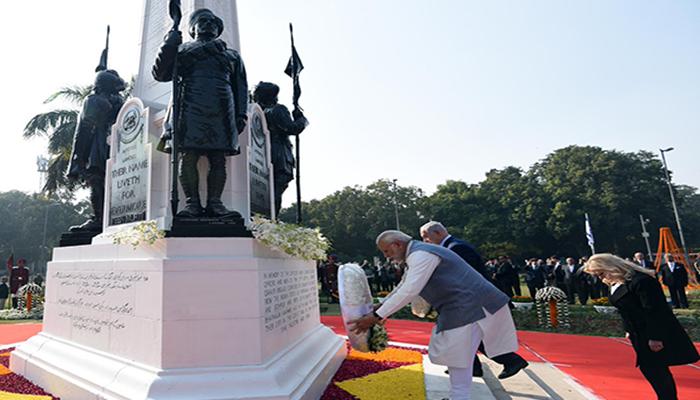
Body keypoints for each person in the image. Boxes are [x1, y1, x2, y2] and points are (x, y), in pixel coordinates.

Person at [351, 231, 523, 400]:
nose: (386, 256)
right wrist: (380, 306)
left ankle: (459, 397)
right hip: (465, 309)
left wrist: (376, 315)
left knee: (457, 358)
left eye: (386, 251)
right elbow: (403, 285)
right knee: (458, 358)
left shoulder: (421, 255)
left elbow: (410, 290)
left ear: (397, 244)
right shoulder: (418, 253)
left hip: (472, 308)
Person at [153, 8, 248, 218]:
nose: (208, 24)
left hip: (222, 108)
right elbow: (161, 74)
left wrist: (241, 114)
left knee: (218, 158)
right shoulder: (182, 50)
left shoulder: (232, 55)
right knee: (188, 156)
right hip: (188, 105)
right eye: (202, 21)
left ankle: (215, 203)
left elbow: (240, 87)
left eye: (213, 22)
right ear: (193, 28)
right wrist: (169, 43)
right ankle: (192, 204)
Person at [420, 221, 529, 379]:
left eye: (426, 237)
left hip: (476, 299)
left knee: (474, 335)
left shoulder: (457, 248)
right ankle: (476, 366)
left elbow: (464, 277)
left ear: (437, 233)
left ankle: (510, 361)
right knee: (468, 335)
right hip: (468, 300)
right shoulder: (451, 247)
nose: (425, 241)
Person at [583, 254, 699, 400]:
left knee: (655, 369)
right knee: (652, 369)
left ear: (610, 267)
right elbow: (624, 310)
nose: (600, 278)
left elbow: (655, 310)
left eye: (601, 273)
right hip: (637, 332)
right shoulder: (616, 283)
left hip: (653, 331)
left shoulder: (641, 281)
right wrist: (627, 329)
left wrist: (655, 337)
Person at [66, 69, 126, 231]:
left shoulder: (93, 100)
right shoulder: (120, 103)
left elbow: (85, 129)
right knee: (109, 183)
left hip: (96, 146)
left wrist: (78, 160)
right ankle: (107, 217)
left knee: (96, 181)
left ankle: (99, 219)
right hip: (117, 146)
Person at [252, 82, 308, 214]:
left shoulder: (258, 112)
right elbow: (292, 128)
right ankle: (272, 219)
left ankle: (268, 219)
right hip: (279, 153)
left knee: (268, 190)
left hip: (262, 152)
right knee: (277, 188)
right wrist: (301, 119)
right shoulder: (278, 109)